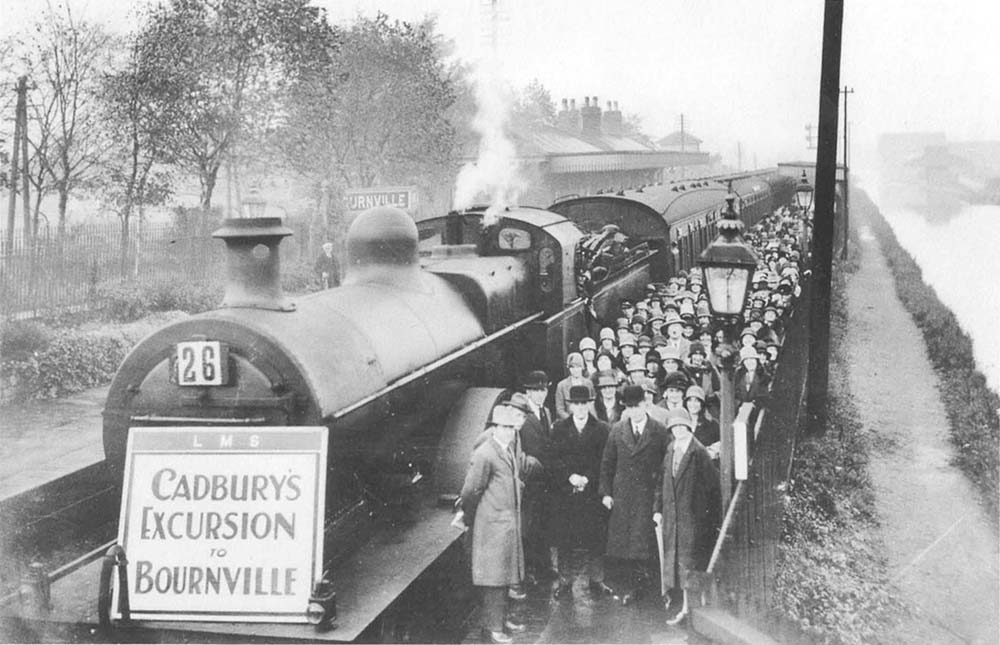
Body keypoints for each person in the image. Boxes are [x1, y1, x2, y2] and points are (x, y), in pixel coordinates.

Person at [457, 404, 541, 644]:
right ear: (494, 428)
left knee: (505, 575)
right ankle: (493, 629)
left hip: (506, 524)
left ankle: (501, 620)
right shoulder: (485, 453)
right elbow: (471, 491)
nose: (508, 432)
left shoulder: (507, 450)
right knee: (493, 579)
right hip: (492, 526)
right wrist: (472, 516)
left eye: (511, 428)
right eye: (503, 428)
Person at [599, 384, 669, 606]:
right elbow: (607, 464)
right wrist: (606, 493)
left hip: (647, 495)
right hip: (623, 495)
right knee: (624, 543)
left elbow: (664, 466)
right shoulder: (617, 429)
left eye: (637, 406)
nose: (633, 411)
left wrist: (659, 499)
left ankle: (644, 586)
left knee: (643, 542)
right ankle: (629, 585)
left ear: (645, 404)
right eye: (629, 407)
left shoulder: (658, 430)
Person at [653, 408, 721, 626]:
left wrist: (704, 518)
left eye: (682, 426)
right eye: (675, 427)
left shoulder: (698, 452)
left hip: (692, 519)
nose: (679, 430)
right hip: (673, 518)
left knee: (689, 564)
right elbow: (661, 481)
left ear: (689, 427)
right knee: (677, 564)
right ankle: (684, 608)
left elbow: (712, 488)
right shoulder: (671, 448)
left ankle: (689, 611)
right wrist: (657, 508)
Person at [548, 385, 611, 599]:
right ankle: (565, 581)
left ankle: (597, 580)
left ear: (590, 404)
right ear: (570, 405)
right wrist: (570, 477)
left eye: (584, 403)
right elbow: (554, 459)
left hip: (592, 493)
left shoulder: (602, 429)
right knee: (565, 537)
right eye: (576, 403)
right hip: (567, 493)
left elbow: (605, 460)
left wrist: (588, 478)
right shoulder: (559, 428)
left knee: (596, 537)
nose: (581, 407)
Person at [555, 353, 595, 420]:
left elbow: (592, 405)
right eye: (572, 367)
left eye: (578, 367)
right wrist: (571, 420)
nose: (575, 370)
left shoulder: (589, 383)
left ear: (582, 367)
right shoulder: (562, 385)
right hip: (568, 422)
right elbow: (560, 409)